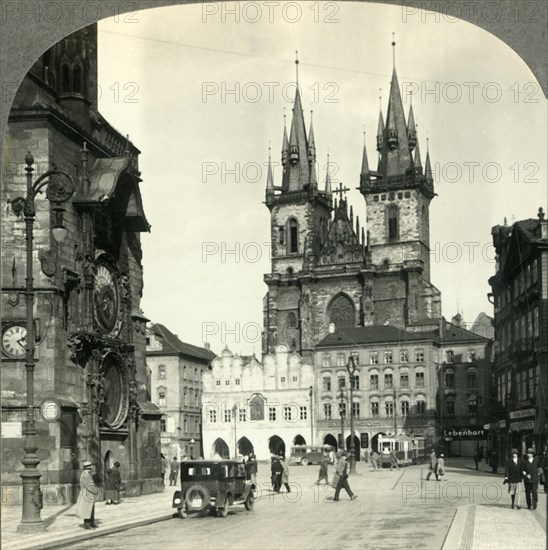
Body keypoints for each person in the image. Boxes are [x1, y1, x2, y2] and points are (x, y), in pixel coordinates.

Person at [76, 461, 99, 529]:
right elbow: (89, 487)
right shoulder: (85, 475)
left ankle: (92, 522)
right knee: (87, 510)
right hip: (86, 495)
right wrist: (96, 491)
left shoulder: (86, 474)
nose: (90, 470)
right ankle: (87, 524)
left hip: (89, 495)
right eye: (90, 468)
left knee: (91, 509)